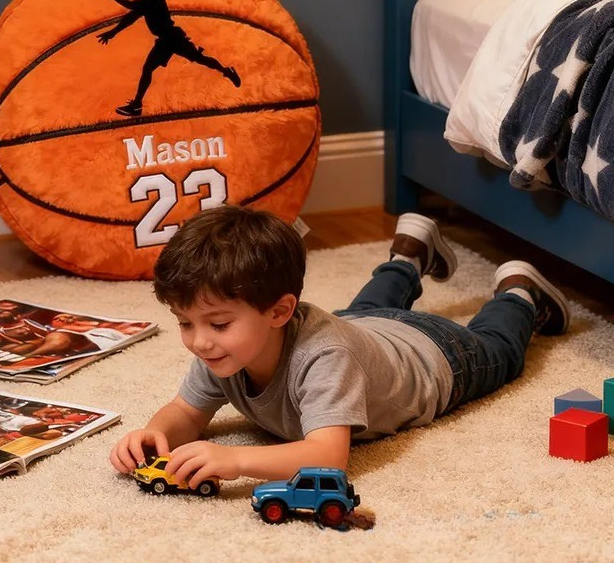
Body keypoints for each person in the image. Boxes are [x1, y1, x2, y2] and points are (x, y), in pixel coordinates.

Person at [109, 205, 571, 487]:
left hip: (436, 357)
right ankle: (410, 255)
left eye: (218, 323)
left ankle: (518, 292)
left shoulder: (324, 355)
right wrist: (156, 436)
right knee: (362, 311)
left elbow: (329, 456)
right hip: (363, 328)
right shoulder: (222, 350)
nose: (199, 341)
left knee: (500, 351)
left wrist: (235, 459)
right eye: (185, 323)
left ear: (279, 312)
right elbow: (186, 411)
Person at [97, 0, 241, 117]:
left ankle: (226, 71)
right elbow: (131, 17)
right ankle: (137, 105)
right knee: (150, 68)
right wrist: (113, 32)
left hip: (171, 38)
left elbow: (132, 6)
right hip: (165, 40)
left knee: (198, 59)